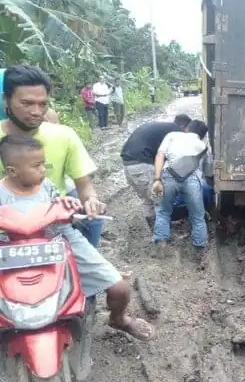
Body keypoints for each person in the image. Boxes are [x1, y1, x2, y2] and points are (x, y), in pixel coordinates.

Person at [0, 135, 153, 341]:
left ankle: (118, 318)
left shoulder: (46, 186)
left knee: (120, 288)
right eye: (37, 166)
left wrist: (78, 207)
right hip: (11, 251)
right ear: (12, 171)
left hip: (58, 241)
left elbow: (64, 204)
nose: (43, 170)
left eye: (44, 164)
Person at [0, 64, 106, 248]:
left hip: (54, 224)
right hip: (6, 229)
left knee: (105, 271)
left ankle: (85, 272)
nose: (36, 111)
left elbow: (85, 185)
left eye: (42, 104)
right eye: (26, 103)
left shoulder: (64, 135)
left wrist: (91, 201)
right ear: (5, 101)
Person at [121, 114, 191, 227]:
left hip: (128, 164)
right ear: (184, 126)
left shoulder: (163, 128)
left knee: (147, 199)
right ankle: (162, 231)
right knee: (160, 198)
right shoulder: (176, 131)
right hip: (142, 164)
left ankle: (155, 228)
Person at [151, 119, 211, 250]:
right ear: (203, 135)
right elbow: (204, 171)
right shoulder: (202, 146)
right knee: (197, 216)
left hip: (169, 175)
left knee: (163, 211)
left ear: (187, 129)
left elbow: (160, 155)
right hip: (192, 179)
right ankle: (200, 248)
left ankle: (161, 243)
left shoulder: (172, 135)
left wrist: (157, 179)